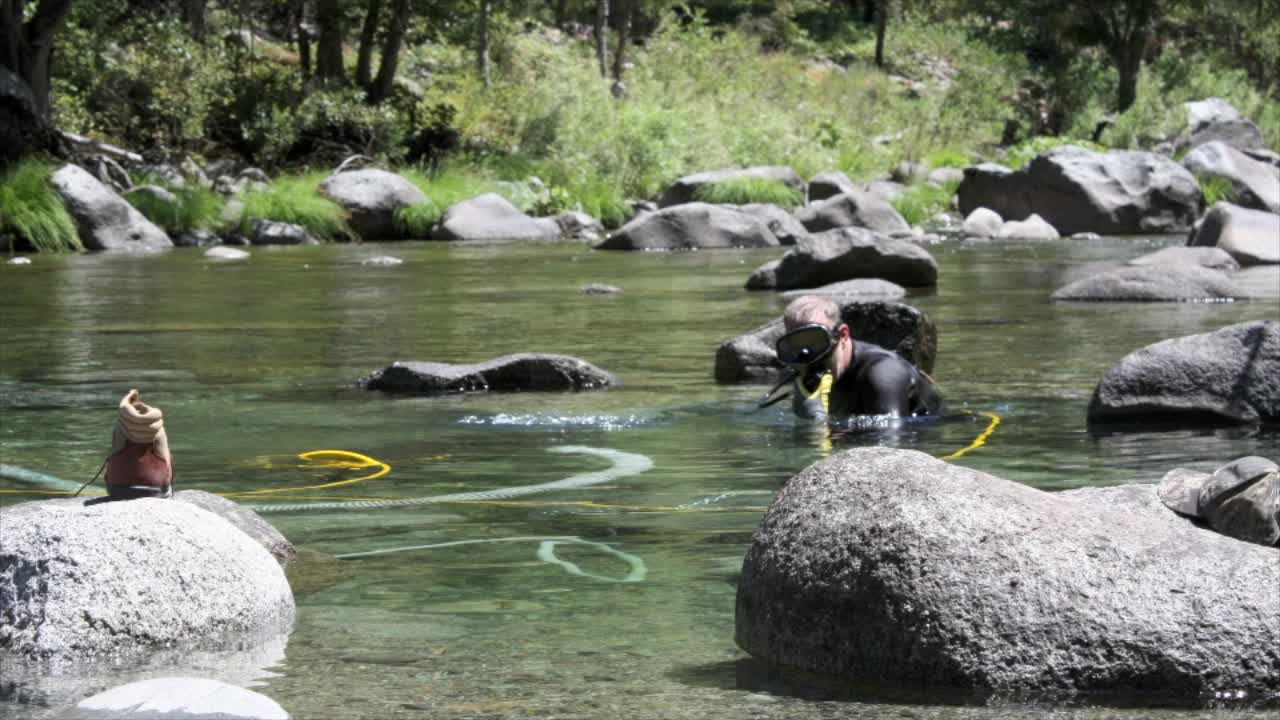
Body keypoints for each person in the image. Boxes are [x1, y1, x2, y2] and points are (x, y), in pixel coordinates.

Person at [775, 295, 941, 422]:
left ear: (843, 335)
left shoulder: (882, 374)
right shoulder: (806, 379)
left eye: (818, 342)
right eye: (796, 345)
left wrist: (821, 426)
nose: (809, 357)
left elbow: (890, 446)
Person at [104, 389, 174, 499]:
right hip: (155, 487)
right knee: (166, 455)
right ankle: (164, 488)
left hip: (118, 487)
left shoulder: (120, 427)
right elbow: (168, 466)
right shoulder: (158, 429)